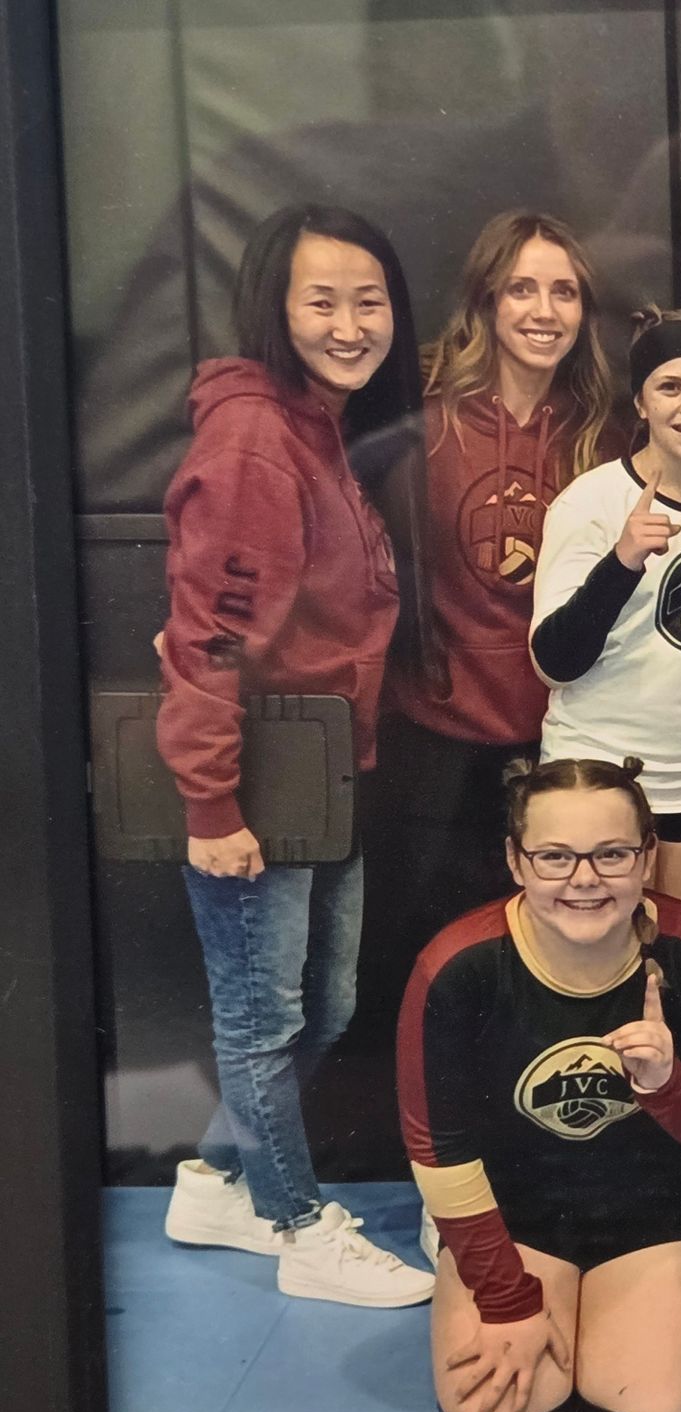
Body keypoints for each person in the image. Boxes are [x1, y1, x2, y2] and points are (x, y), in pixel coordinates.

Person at [157, 203, 436, 1304]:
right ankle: (297, 1226)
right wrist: (212, 806)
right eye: (322, 301)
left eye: (370, 301)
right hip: (257, 782)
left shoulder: (317, 427)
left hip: (322, 776)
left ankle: (219, 1181)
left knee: (321, 1009)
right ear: (276, 309)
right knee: (263, 1019)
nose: (350, 324)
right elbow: (210, 639)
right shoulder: (254, 441)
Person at [399, 757, 681, 1412]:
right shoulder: (458, 964)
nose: (585, 878)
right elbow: (438, 1150)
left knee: (648, 1405)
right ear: (516, 861)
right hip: (517, 1215)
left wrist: (669, 1087)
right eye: (556, 857)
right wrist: (505, 1300)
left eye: (612, 854)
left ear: (648, 858)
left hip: (658, 1214)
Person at [374, 211, 618, 967]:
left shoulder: (605, 433)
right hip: (435, 734)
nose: (545, 311)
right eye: (522, 289)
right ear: (485, 299)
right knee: (428, 956)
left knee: (547, 956)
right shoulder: (419, 420)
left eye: (564, 292)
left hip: (560, 734)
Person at [532, 306, 681, 920]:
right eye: (670, 387)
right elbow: (553, 663)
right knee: (593, 960)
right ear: (640, 402)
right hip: (591, 779)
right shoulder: (590, 502)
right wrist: (622, 562)